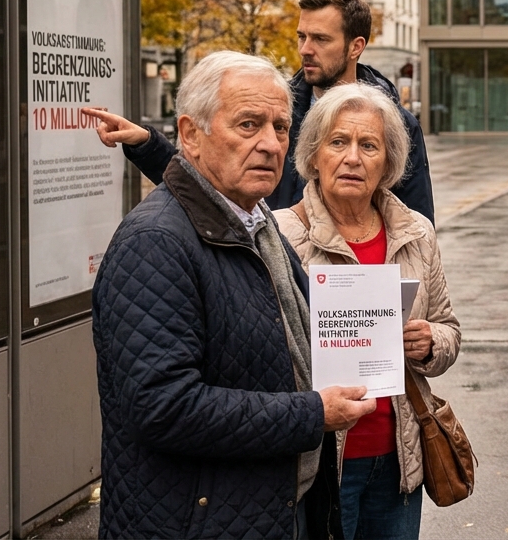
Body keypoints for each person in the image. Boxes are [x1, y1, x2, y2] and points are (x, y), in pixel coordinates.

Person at [92, 52, 377, 539]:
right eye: (248, 124)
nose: (270, 143)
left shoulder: (255, 219)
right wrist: (312, 413)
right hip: (196, 521)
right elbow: (163, 407)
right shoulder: (155, 242)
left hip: (267, 508)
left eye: (281, 127)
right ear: (190, 134)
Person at [277, 84, 461, 540]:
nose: (353, 158)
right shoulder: (279, 234)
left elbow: (449, 329)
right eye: (338, 142)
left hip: (398, 460)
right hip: (315, 463)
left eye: (369, 145)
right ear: (314, 155)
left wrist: (429, 343)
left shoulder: (415, 232)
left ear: (389, 163)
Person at [82, 0, 435, 221]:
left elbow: (415, 226)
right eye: (302, 36)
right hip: (274, 278)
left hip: (352, 300)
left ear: (356, 46)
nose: (305, 49)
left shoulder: (395, 124)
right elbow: (210, 182)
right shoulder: (278, 110)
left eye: (320, 39)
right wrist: (146, 144)